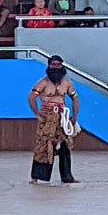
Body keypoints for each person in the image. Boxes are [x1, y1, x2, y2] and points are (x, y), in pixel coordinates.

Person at [29, 55, 81, 184]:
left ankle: (67, 176)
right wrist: (37, 113)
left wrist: (74, 116)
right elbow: (31, 97)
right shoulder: (43, 83)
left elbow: (75, 99)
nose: (56, 67)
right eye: (53, 65)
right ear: (49, 66)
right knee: (43, 146)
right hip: (47, 118)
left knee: (65, 146)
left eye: (58, 65)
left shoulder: (67, 83)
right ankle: (36, 177)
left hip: (62, 117)